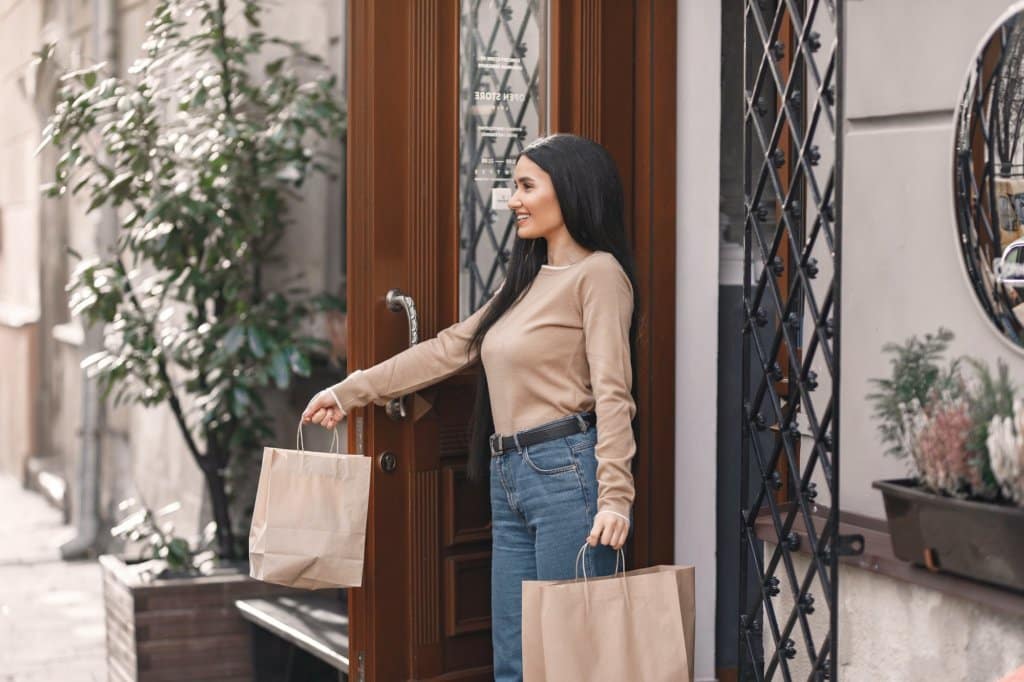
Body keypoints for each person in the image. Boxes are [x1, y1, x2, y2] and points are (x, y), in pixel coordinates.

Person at [301, 133, 640, 681]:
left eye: (528, 186)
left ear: (572, 191)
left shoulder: (597, 274)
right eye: (514, 186)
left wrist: (616, 498)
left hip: (568, 476)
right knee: (513, 659)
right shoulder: (524, 281)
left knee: (569, 659)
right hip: (509, 476)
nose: (513, 200)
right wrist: (349, 390)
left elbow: (613, 393)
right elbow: (448, 349)